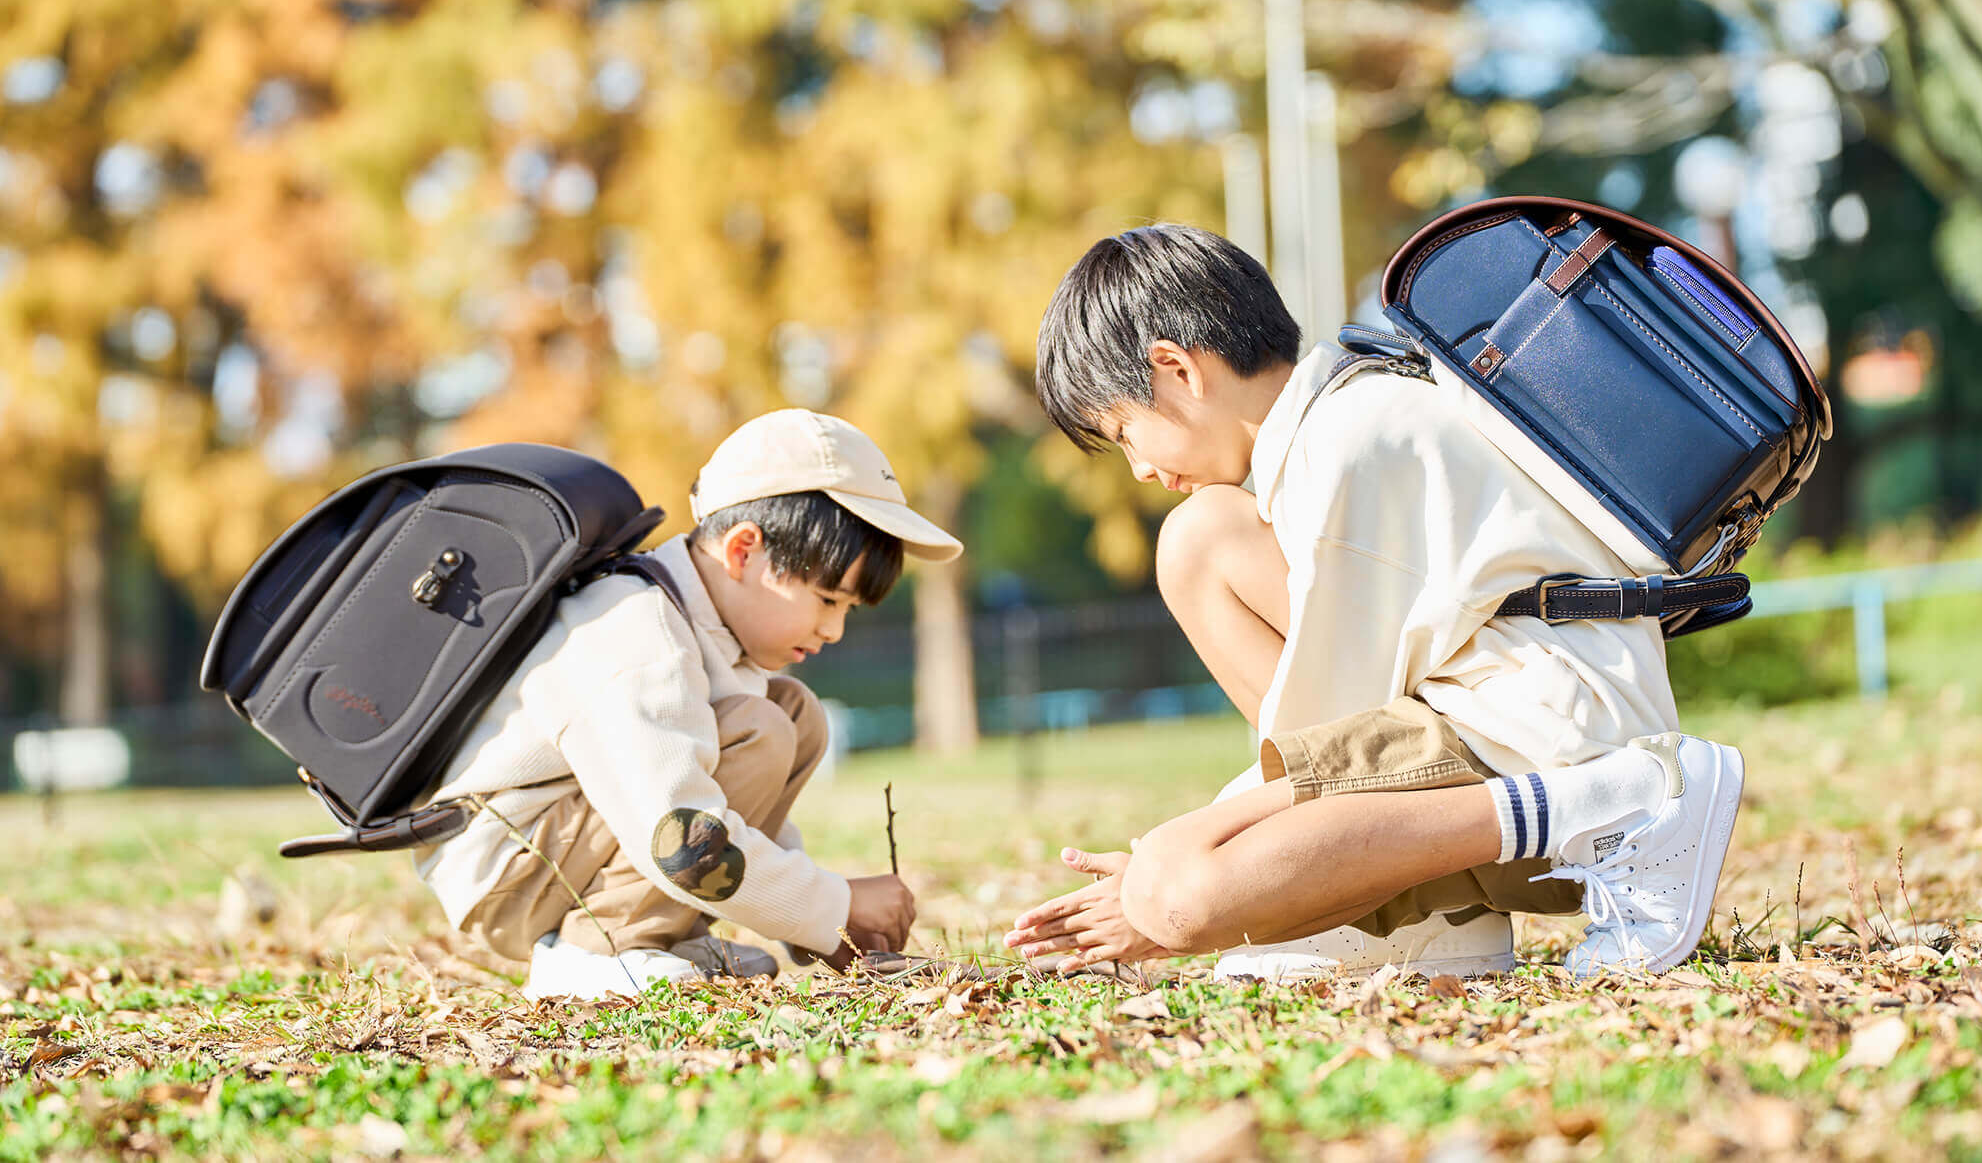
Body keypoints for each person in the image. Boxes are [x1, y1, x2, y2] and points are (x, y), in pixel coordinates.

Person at [1005, 224, 1743, 980]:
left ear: (1176, 369)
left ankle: (1630, 807)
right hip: (1508, 718)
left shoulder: (1343, 448)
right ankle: (1433, 918)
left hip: (1550, 746)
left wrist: (1174, 874)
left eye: (1126, 433)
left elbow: (1324, 742)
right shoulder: (1349, 407)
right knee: (1199, 542)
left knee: (1180, 886)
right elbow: (1335, 739)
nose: (1139, 469)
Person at [414, 410, 963, 999]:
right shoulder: (637, 631)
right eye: (828, 599)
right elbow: (680, 838)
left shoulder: (704, 635)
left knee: (792, 715)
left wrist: (827, 923)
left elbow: (716, 808)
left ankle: (662, 936)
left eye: (848, 610)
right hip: (510, 878)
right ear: (743, 551)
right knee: (761, 728)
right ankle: (597, 950)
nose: (834, 631)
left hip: (561, 855)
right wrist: (836, 903)